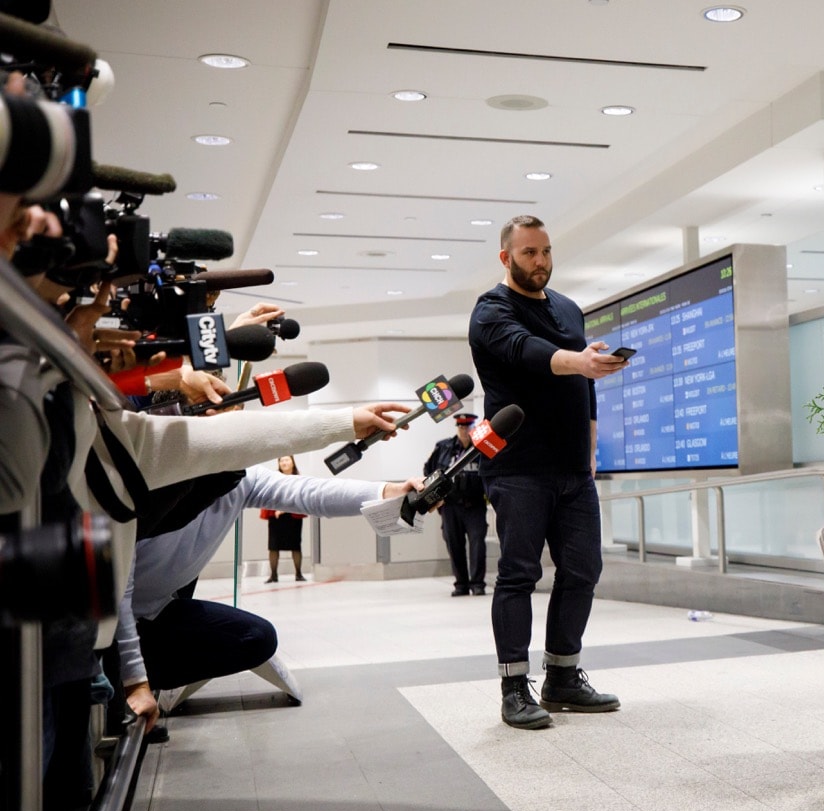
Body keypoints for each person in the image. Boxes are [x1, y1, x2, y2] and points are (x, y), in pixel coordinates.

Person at [468, 214, 626, 730]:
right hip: (517, 468)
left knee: (583, 571)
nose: (541, 262)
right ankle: (514, 686)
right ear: (506, 257)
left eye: (546, 252)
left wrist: (592, 442)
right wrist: (576, 362)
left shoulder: (568, 307)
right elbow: (525, 351)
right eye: (530, 253)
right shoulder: (491, 310)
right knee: (519, 574)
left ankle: (562, 676)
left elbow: (586, 383)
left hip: (573, 469)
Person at [117, 465, 423, 730]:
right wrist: (135, 681)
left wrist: (388, 491)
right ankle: (122, 690)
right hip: (106, 618)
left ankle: (144, 687)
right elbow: (116, 589)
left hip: (155, 612)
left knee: (256, 638)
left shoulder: (240, 478)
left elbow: (310, 493)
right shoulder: (157, 481)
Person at [425, 412, 489, 596]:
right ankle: (461, 584)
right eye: (461, 427)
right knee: (454, 544)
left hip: (475, 505)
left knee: (478, 544)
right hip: (450, 506)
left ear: (473, 428)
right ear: (457, 428)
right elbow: (429, 471)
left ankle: (478, 584)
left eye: (467, 426)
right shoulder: (444, 448)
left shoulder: (481, 449)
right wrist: (436, 498)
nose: (464, 430)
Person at [263, 455, 306, 583]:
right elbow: (270, 496)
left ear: (293, 462)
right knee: (273, 546)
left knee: (296, 546)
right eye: (282, 460)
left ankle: (298, 574)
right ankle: (273, 575)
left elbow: (300, 497)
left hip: (293, 516)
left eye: (287, 460)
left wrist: (285, 509)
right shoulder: (274, 478)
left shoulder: (299, 478)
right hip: (276, 517)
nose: (284, 462)